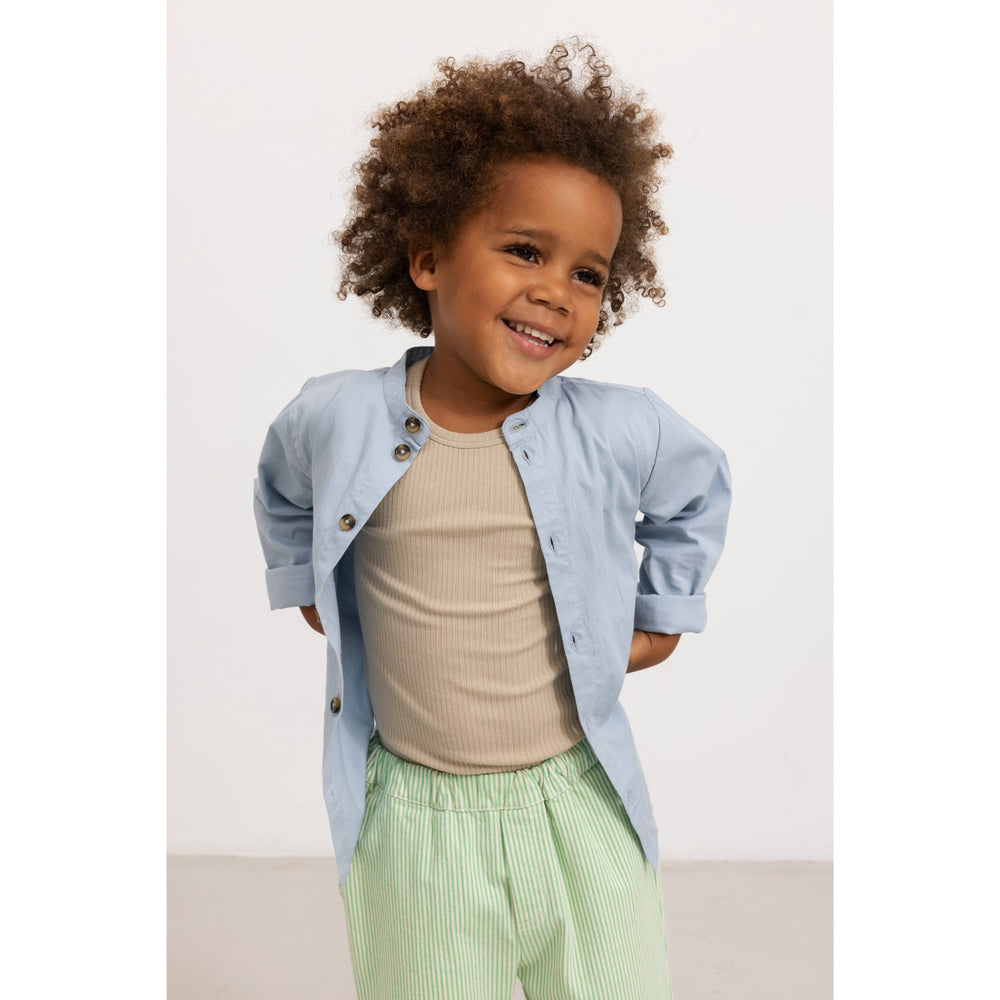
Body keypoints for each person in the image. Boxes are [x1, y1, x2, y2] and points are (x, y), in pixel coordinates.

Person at [254, 39, 731, 1000]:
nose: (557, 290)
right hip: (416, 818)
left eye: (589, 274)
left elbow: (699, 491)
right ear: (427, 256)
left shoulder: (619, 427)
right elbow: (284, 482)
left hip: (575, 798)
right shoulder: (335, 416)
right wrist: (305, 582)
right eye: (525, 251)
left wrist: (660, 614)